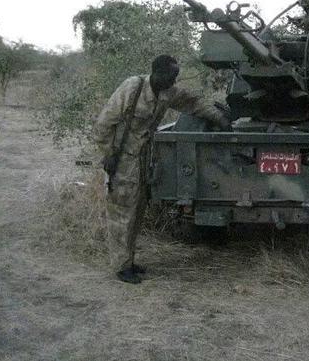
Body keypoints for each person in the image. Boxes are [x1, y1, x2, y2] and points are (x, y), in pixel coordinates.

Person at [93, 55, 229, 284]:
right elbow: (104, 123)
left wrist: (220, 119)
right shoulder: (132, 87)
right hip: (124, 158)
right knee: (122, 212)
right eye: (169, 76)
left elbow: (193, 103)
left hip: (144, 158)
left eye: (175, 77)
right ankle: (121, 267)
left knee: (136, 212)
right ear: (155, 72)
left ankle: (129, 261)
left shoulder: (168, 92)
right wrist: (107, 154)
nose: (172, 81)